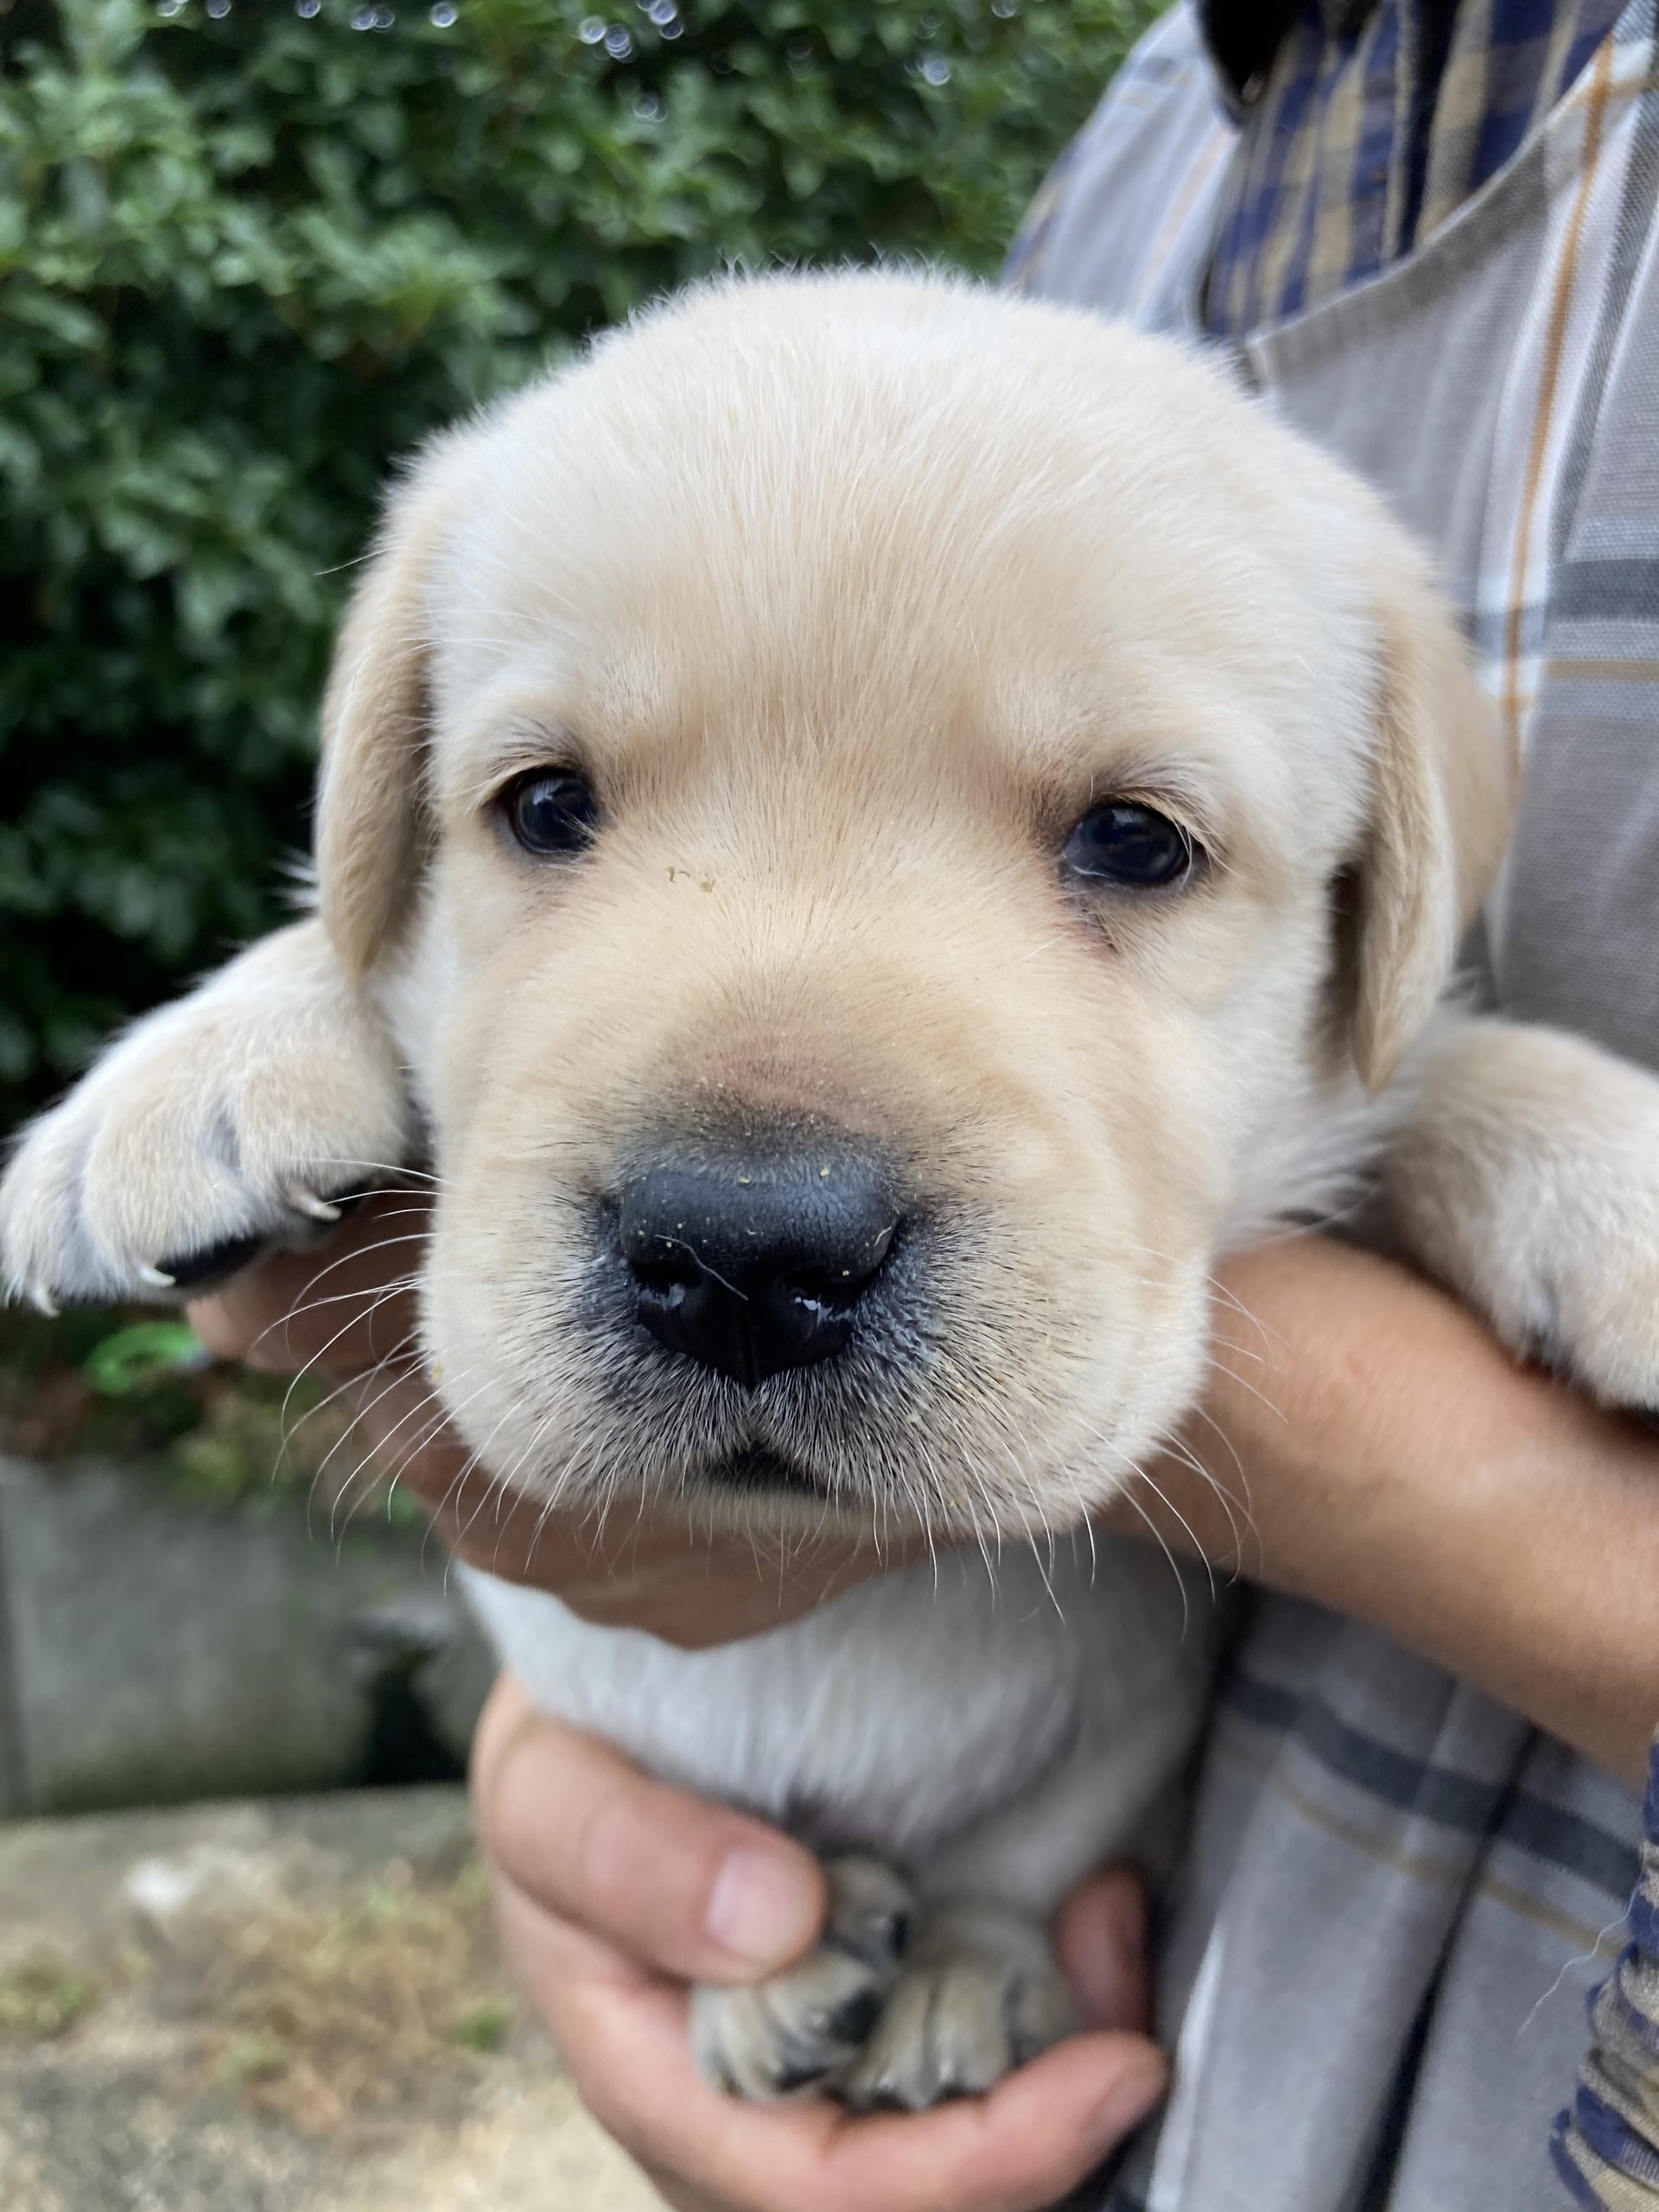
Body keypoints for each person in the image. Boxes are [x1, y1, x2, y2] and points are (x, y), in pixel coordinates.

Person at [195, 3, 1659, 2204]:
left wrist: (1469, 1188)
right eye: (554, 797)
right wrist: (608, 1817)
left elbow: (1393, 1078)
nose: (765, 1176)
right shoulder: (1163, 131)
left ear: (1395, 904)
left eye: (1131, 845)